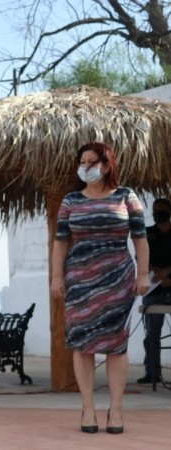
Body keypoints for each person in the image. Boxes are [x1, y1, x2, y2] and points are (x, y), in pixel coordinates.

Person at [50, 142, 150, 435]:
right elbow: (60, 242)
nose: (86, 167)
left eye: (93, 162)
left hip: (118, 278)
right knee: (82, 344)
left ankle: (116, 409)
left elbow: (141, 239)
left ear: (107, 165)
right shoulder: (70, 200)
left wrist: (143, 275)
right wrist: (56, 277)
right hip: (79, 280)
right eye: (83, 162)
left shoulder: (126, 196)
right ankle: (88, 408)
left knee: (116, 346)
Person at [138, 197, 171, 384]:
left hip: (168, 284)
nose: (158, 213)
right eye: (155, 210)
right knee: (151, 335)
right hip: (154, 290)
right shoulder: (147, 233)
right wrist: (158, 275)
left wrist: (166, 274)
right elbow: (142, 260)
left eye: (162, 210)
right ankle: (152, 372)